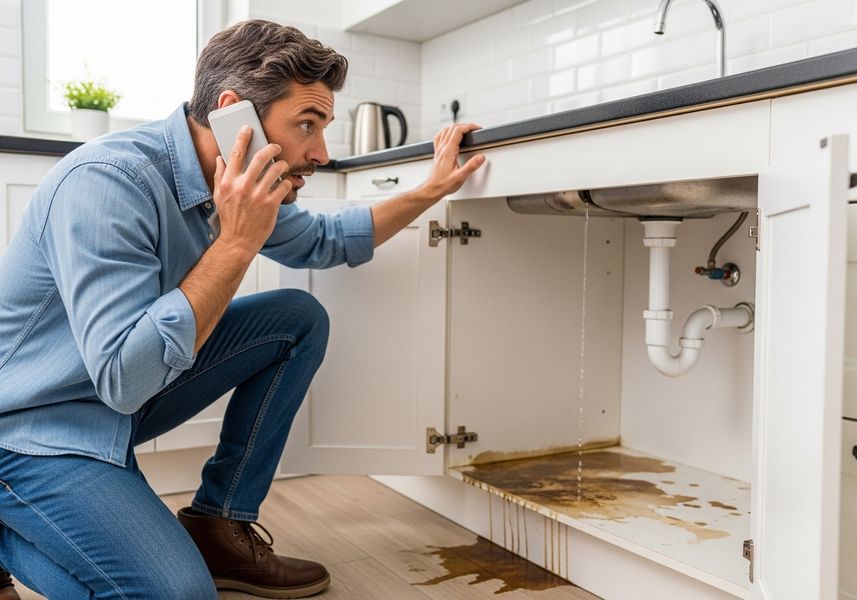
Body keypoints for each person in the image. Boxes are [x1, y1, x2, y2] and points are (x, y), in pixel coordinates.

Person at [0, 19, 485, 600]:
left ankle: (218, 525)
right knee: (177, 595)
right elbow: (124, 378)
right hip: (34, 423)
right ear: (235, 114)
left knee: (295, 319)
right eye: (306, 125)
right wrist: (235, 243)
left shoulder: (235, 179)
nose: (321, 153)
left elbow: (326, 240)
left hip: (113, 399)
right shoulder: (108, 183)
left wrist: (431, 190)